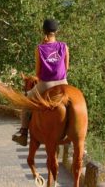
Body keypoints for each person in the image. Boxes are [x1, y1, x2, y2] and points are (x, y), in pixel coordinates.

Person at [12, 18, 69, 146]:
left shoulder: (39, 48)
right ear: (56, 31)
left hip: (46, 84)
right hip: (64, 83)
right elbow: (66, 67)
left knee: (26, 102)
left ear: (43, 31)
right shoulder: (64, 46)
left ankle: (23, 133)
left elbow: (37, 72)